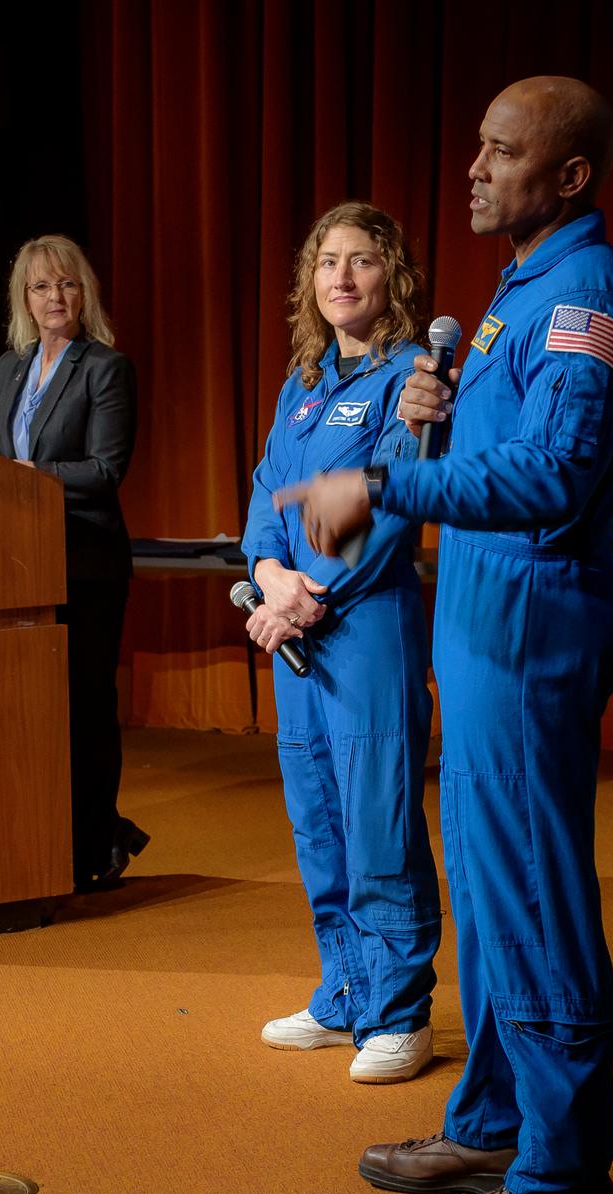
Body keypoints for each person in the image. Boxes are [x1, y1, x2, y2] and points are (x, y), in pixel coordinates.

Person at [276, 78, 613, 1194]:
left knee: (534, 899)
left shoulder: (584, 298)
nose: (473, 169)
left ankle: (562, 1171)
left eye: (501, 152)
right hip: (486, 624)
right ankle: (494, 1120)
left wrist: (386, 479)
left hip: (531, 623)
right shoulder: (513, 292)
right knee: (493, 905)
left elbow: (552, 477)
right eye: (477, 148)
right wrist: (433, 417)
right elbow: (499, 449)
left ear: (567, 175)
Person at [241, 202, 441, 1084]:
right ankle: (345, 993)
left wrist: (306, 601)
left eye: (360, 261)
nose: (342, 278)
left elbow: (393, 507)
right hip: (300, 637)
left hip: (364, 632)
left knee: (377, 822)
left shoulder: (413, 377)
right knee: (317, 821)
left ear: (389, 275)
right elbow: (267, 491)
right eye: (327, 263)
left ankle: (400, 1013)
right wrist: (266, 573)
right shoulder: (305, 380)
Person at [0, 235, 149, 893]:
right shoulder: (9, 368)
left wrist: (27, 474)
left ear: (86, 294)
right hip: (18, 564)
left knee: (84, 708)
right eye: (42, 287)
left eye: (68, 285)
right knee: (31, 713)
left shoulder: (106, 368)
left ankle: (96, 840)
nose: (56, 298)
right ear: (24, 298)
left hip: (85, 565)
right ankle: (41, 836)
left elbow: (105, 471)